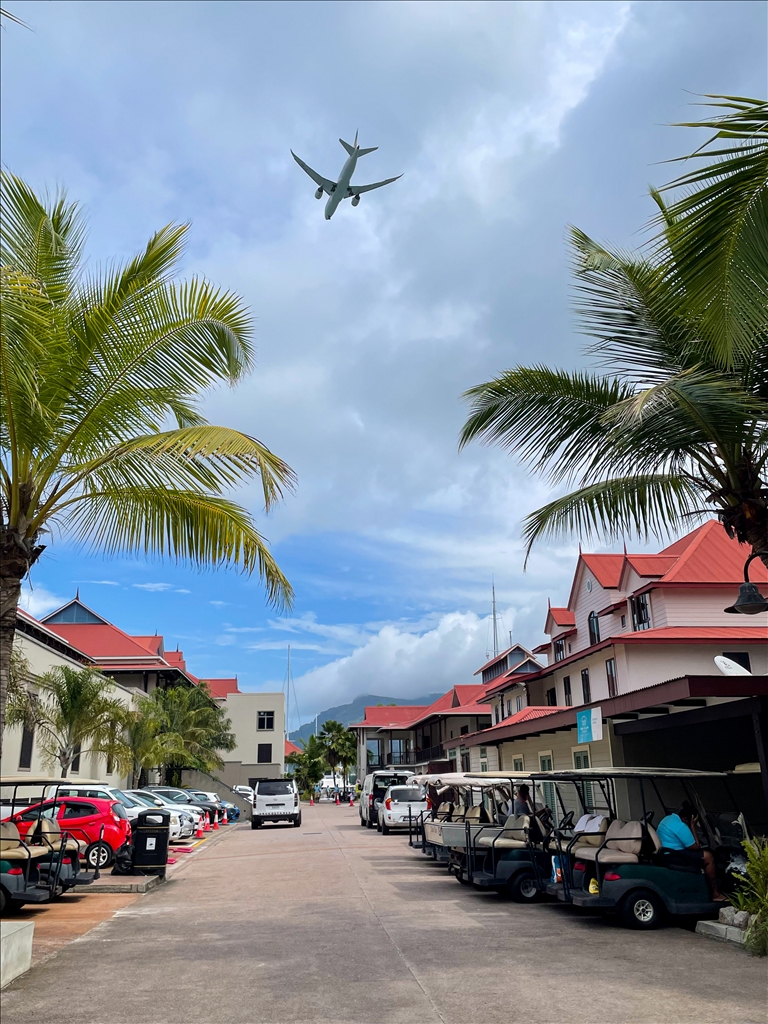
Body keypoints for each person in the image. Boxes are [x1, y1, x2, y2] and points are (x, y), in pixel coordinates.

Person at [657, 801, 725, 901]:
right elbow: (695, 847)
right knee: (708, 857)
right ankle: (716, 894)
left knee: (704, 853)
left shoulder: (668, 818)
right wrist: (693, 826)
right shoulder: (681, 826)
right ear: (686, 819)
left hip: (666, 852)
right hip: (674, 855)